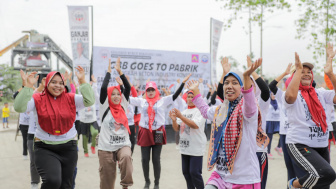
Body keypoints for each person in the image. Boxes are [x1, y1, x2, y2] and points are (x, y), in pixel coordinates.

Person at [188, 58, 266, 189]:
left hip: (244, 179)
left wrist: (247, 76)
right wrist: (196, 94)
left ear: (242, 88)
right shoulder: (220, 109)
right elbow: (206, 112)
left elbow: (249, 105)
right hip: (220, 175)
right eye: (226, 83)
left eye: (235, 83)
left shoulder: (247, 110)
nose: (229, 86)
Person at [14, 66, 95, 189]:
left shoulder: (71, 98)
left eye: (61, 83)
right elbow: (19, 108)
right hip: (45, 147)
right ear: (47, 83)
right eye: (54, 82)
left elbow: (89, 101)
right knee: (53, 181)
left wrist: (83, 81)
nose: (58, 86)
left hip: (69, 148)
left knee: (66, 185)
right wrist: (28, 87)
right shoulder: (37, 99)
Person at [129, 73, 191, 189]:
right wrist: (123, 84)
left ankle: (156, 183)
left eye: (152, 89)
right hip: (145, 132)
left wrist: (182, 83)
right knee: (144, 159)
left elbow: (176, 94)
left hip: (158, 132)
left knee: (156, 159)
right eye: (148, 90)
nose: (151, 92)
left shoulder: (162, 100)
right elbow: (127, 98)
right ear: (146, 91)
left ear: (156, 90)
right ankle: (147, 182)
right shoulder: (142, 101)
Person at [284, 50, 336, 189]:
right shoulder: (291, 95)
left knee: (324, 184)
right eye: (302, 71)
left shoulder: (320, 93)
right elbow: (290, 97)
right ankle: (293, 184)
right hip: (299, 144)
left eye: (308, 72)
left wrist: (330, 74)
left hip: (321, 144)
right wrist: (298, 70)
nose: (306, 73)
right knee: (326, 174)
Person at [97, 58, 133, 189]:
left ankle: (125, 185)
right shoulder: (104, 106)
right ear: (108, 96)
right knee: (107, 181)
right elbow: (103, 88)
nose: (117, 96)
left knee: (127, 158)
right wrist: (108, 72)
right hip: (105, 147)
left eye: (118, 94)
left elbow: (128, 87)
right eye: (113, 94)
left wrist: (120, 71)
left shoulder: (123, 104)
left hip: (122, 144)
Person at [169, 90, 207, 189]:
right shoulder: (184, 112)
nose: (190, 98)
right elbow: (176, 128)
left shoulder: (200, 111)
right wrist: (173, 120)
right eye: (189, 96)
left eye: (192, 96)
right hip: (185, 147)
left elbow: (195, 125)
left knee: (195, 173)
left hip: (196, 147)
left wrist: (180, 116)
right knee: (186, 173)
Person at [79, 75, 100, 157]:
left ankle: (93, 146)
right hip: (83, 120)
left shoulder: (93, 97)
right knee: (85, 137)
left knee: (95, 132)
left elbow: (95, 92)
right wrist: (80, 80)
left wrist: (94, 83)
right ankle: (86, 151)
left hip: (92, 120)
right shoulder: (81, 97)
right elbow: (79, 89)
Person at [265, 92, 282, 158]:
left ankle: (278, 146)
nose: (273, 96)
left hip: (277, 121)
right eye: (272, 94)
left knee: (282, 134)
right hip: (270, 121)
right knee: (269, 137)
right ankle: (268, 152)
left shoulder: (278, 101)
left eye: (274, 94)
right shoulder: (267, 102)